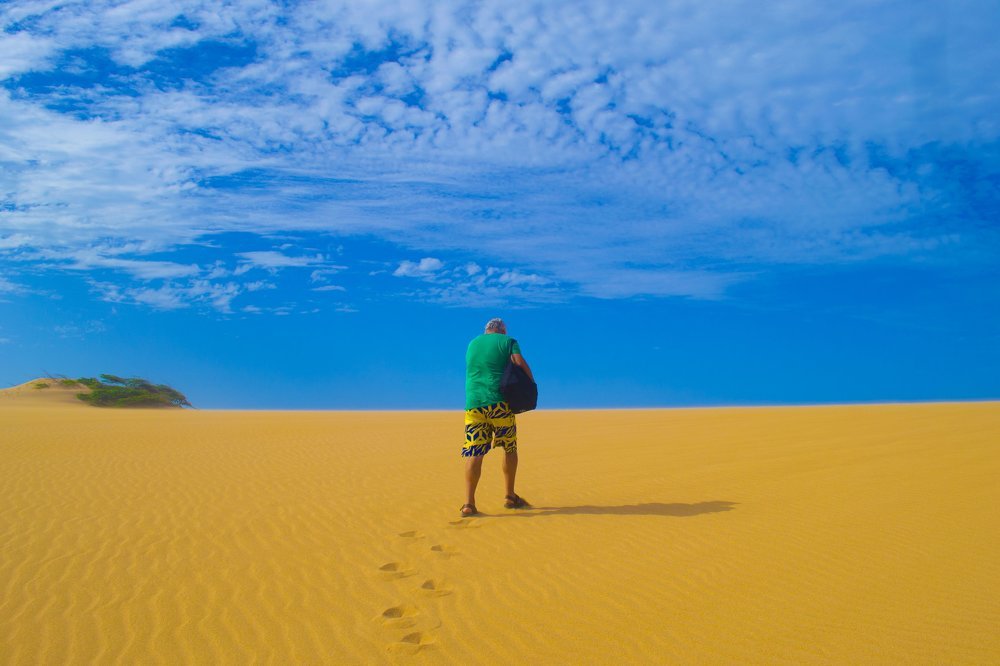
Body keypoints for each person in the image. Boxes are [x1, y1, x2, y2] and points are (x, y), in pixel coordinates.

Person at [461, 317, 534, 517]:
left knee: (475, 452)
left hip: (474, 405)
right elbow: (519, 363)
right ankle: (510, 496)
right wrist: (531, 384)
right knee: (510, 447)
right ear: (502, 330)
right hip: (499, 404)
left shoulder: (472, 343)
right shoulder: (508, 341)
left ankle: (468, 503)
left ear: (487, 331)